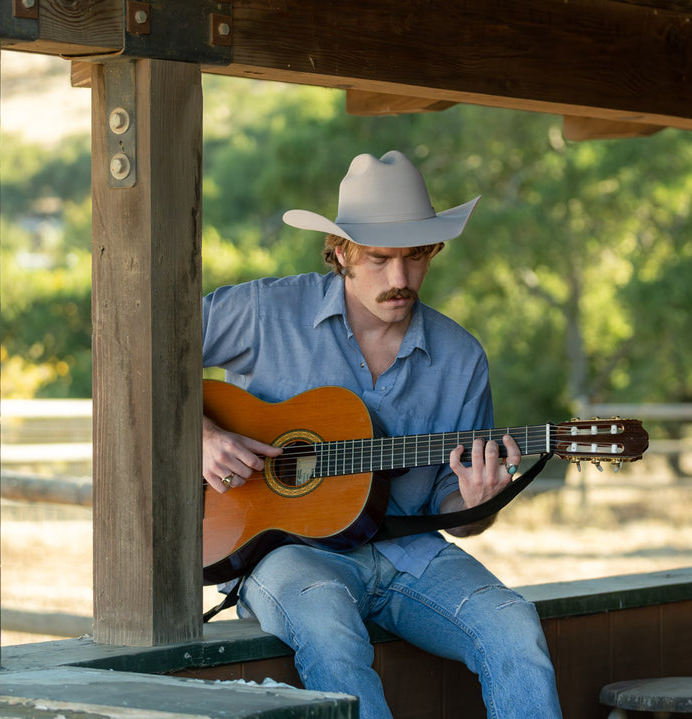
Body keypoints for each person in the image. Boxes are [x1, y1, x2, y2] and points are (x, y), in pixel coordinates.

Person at [199, 150, 563, 719]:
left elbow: (459, 511)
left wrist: (479, 504)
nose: (400, 279)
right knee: (329, 630)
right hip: (288, 554)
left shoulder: (461, 358)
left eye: (415, 257)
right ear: (341, 251)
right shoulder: (266, 311)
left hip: (410, 553)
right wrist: (200, 434)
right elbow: (140, 349)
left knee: (513, 623)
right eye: (379, 259)